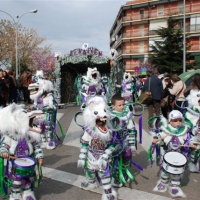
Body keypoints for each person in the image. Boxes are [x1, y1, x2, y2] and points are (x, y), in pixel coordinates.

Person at [149, 110, 193, 198]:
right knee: (165, 171)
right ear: (170, 121)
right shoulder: (166, 130)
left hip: (178, 156)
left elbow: (190, 140)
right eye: (175, 120)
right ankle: (163, 183)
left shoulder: (184, 131)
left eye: (180, 120)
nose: (178, 123)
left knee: (176, 173)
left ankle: (174, 186)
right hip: (166, 155)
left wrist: (192, 144)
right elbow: (159, 135)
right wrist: (155, 139)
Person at [109, 94, 137, 187]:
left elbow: (131, 128)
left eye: (123, 105)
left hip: (125, 141)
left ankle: (123, 172)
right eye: (119, 105)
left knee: (127, 156)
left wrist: (132, 141)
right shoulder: (109, 115)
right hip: (114, 142)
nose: (122, 107)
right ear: (113, 106)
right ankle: (115, 177)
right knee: (115, 159)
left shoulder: (127, 115)